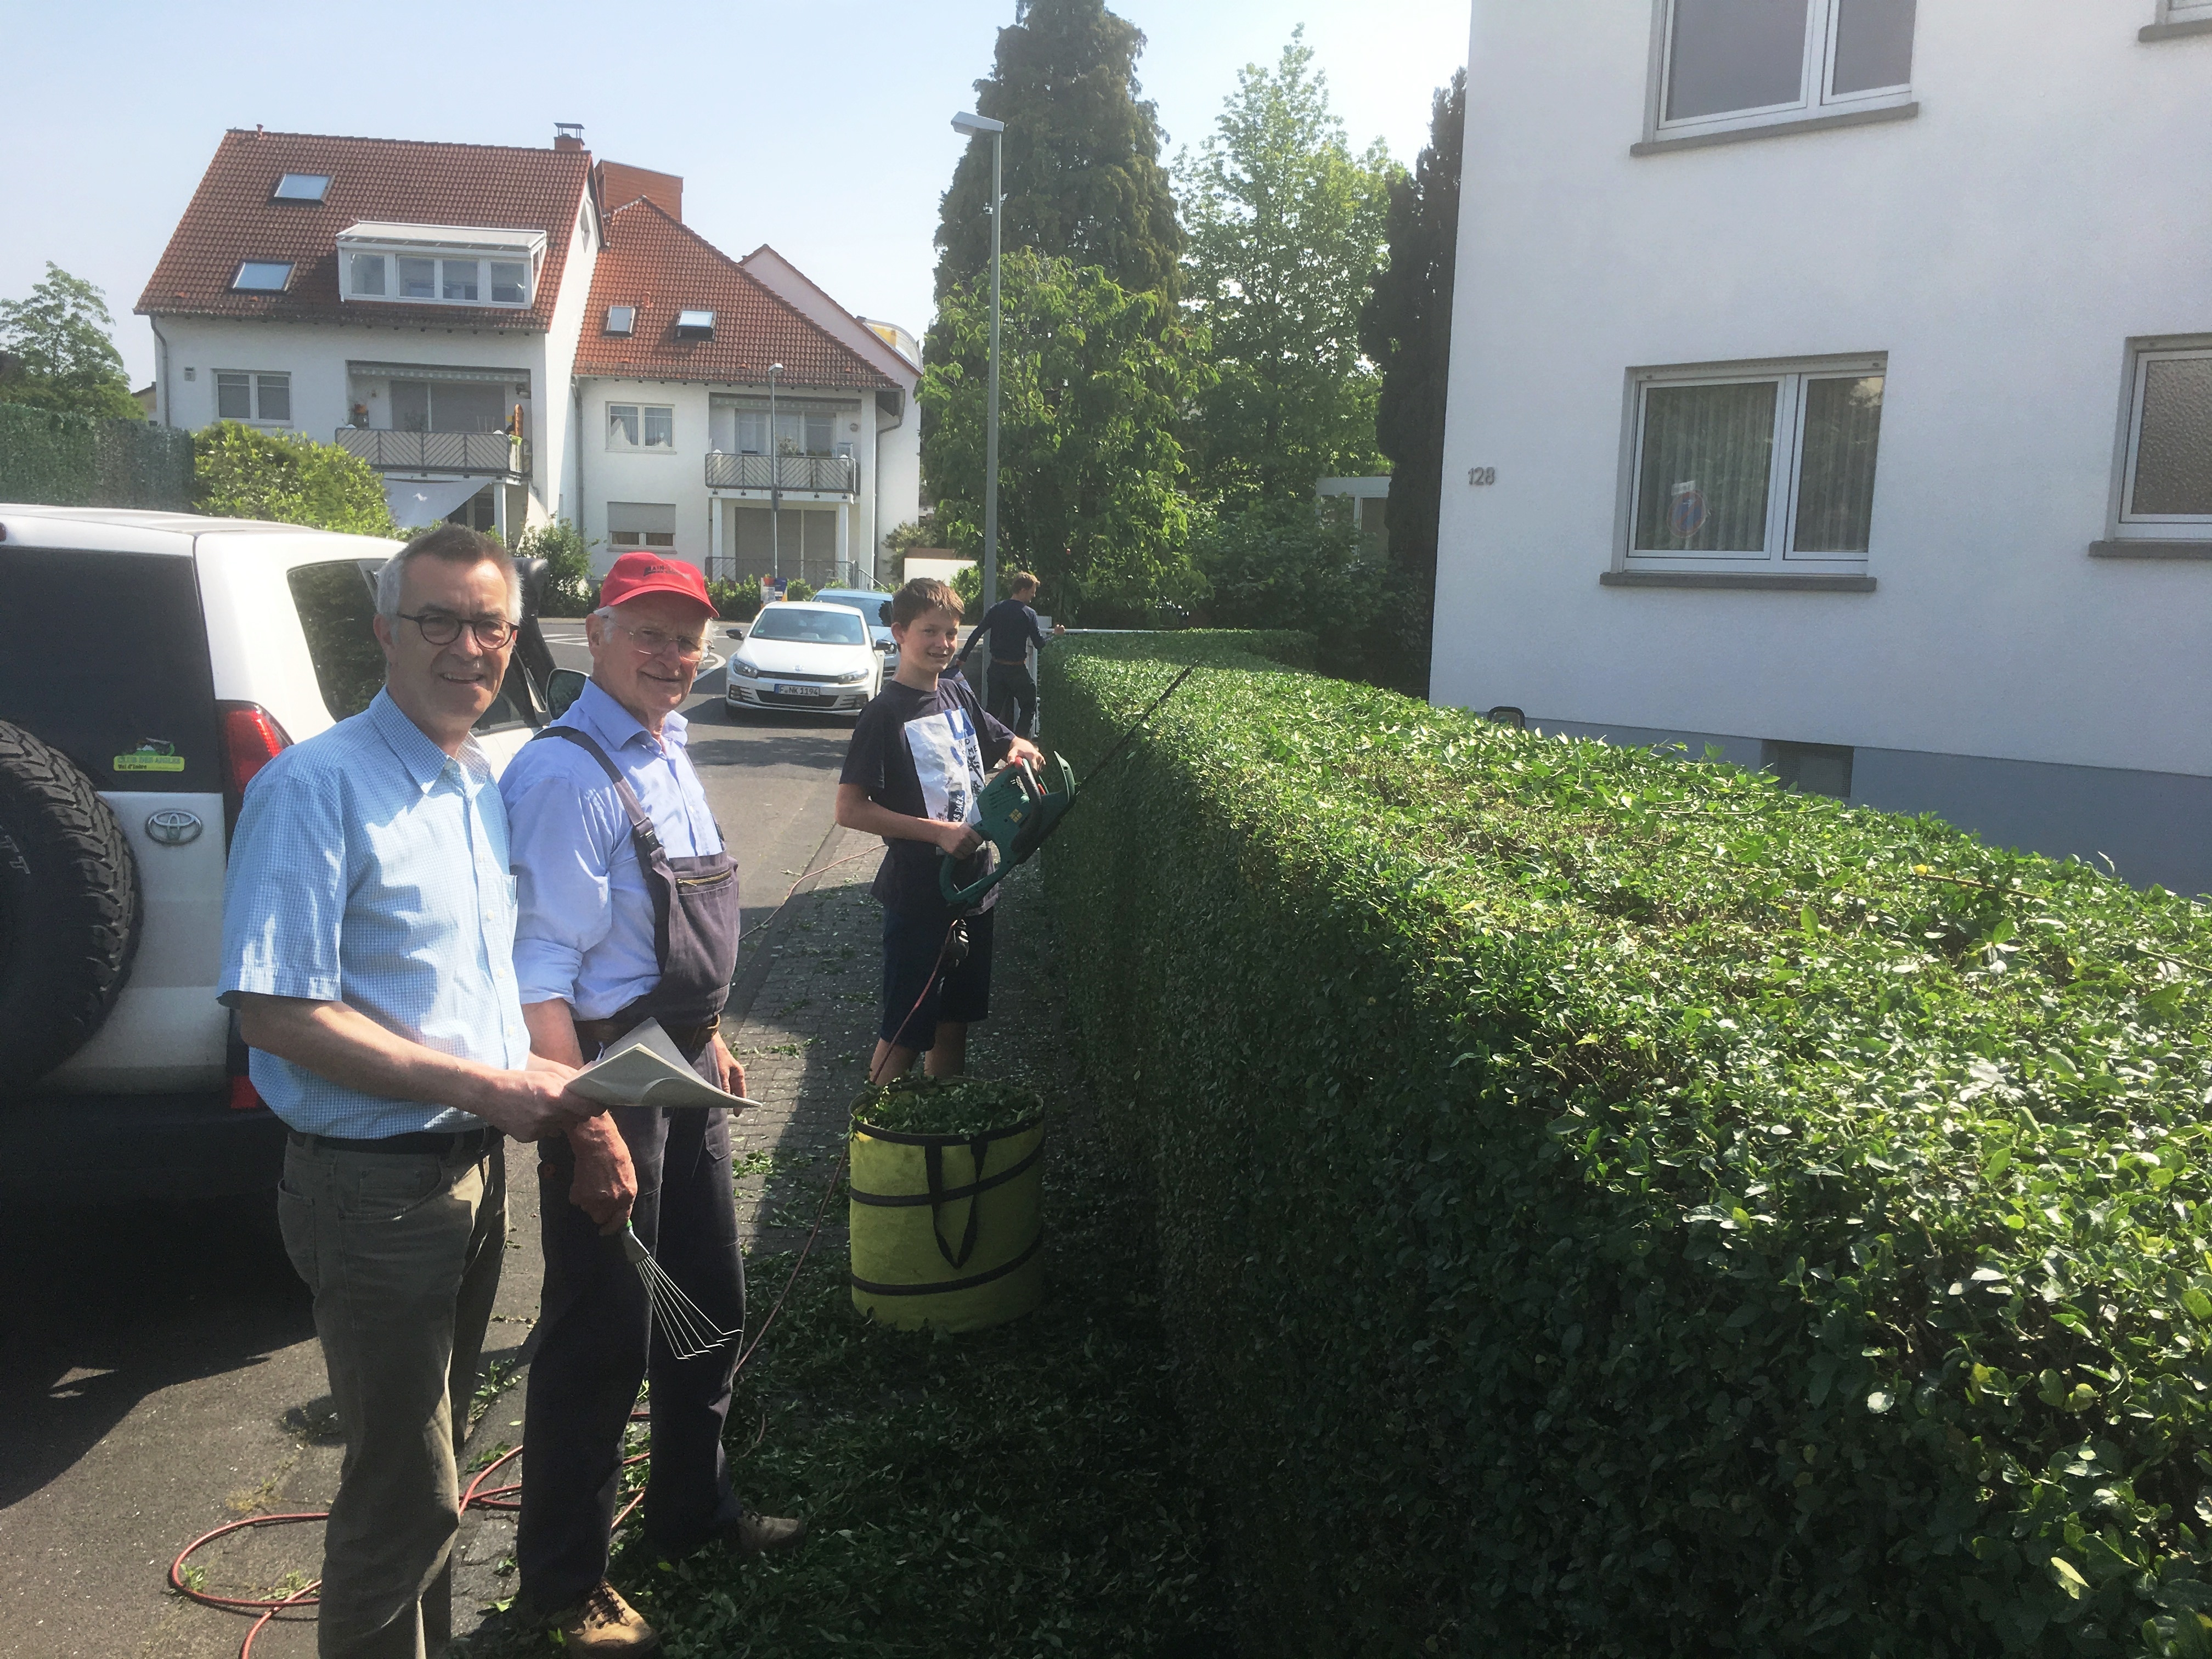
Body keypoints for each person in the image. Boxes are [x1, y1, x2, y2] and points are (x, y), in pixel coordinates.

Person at [219, 524, 599, 1659]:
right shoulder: (316, 786)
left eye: (490, 624)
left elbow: (462, 1011)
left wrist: (563, 1087)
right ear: (385, 631)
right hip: (373, 1193)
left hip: (467, 1175)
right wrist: (488, 1081)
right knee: (403, 1494)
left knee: (436, 1480)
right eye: (438, 619)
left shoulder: (470, 781)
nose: (467, 645)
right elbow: (276, 1012)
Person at [499, 551, 803, 1654]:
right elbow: (539, 979)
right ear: (597, 632)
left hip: (677, 1062)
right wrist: (584, 1129)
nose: (674, 657)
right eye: (651, 633)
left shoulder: (671, 751)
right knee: (601, 1335)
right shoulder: (562, 776)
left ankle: (690, 1510)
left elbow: (669, 924)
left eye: (690, 638)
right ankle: (562, 1584)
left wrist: (711, 1032)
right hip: (602, 1071)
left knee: (708, 1298)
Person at [836, 578, 1046, 1080]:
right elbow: (849, 809)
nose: (943, 644)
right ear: (900, 633)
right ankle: (876, 1143)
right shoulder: (883, 715)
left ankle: (939, 1137)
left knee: (955, 1025)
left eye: (951, 633)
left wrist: (1021, 749)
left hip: (978, 889)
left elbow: (1006, 740)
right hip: (919, 897)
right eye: (930, 632)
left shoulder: (956, 692)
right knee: (904, 1033)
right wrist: (937, 833)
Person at [952, 570, 1064, 739]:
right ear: (1024, 590)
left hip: (996, 668)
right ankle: (1019, 743)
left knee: (992, 712)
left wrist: (962, 658)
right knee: (1028, 705)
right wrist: (1055, 636)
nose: (1033, 596)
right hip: (1017, 670)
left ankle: (984, 746)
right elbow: (1040, 645)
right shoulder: (1028, 613)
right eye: (1033, 591)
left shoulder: (997, 609)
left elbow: (977, 633)